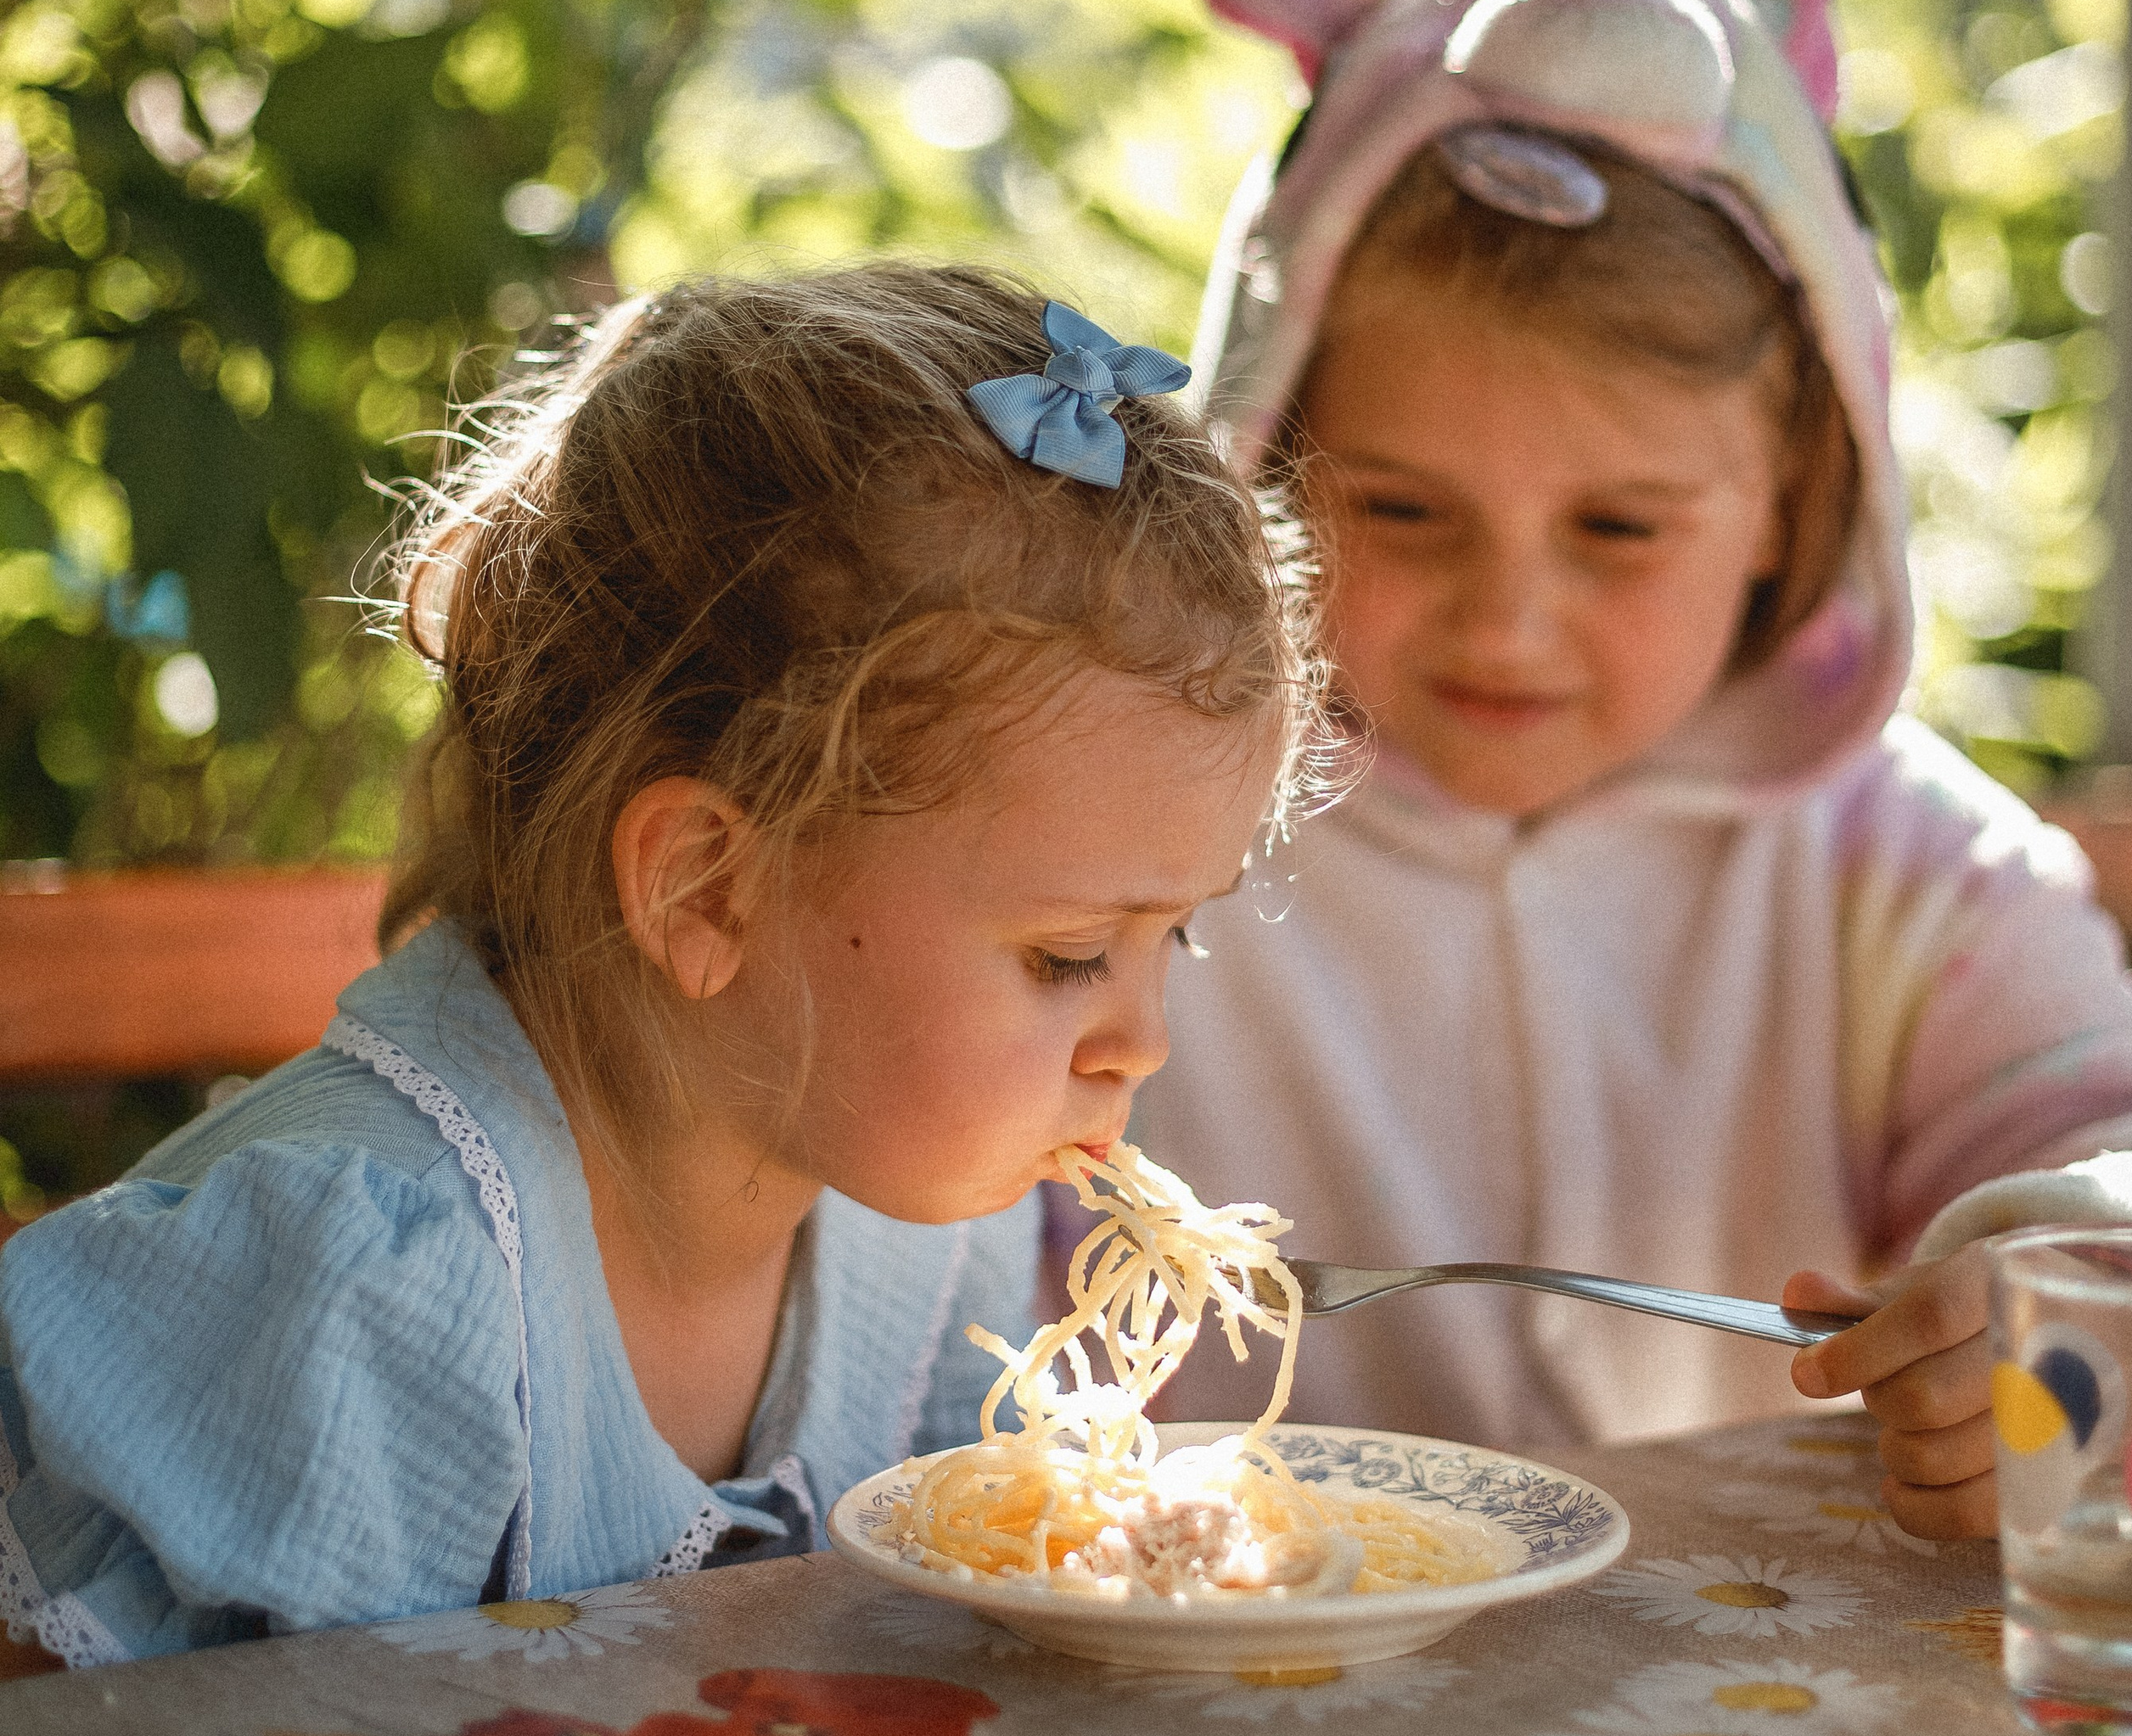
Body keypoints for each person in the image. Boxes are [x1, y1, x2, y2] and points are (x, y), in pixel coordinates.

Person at [1136, 0, 2132, 1539]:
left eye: (1617, 527)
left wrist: (2046, 1319)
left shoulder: (1899, 878)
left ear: (1789, 497)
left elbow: (2125, 1164)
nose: (1506, 615)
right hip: (1227, 1717)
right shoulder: (1144, 855)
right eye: (1401, 510)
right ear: (1261, 460)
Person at [0, 266, 1322, 1663]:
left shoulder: (925, 1227)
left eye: (1165, 934)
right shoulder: (382, 1283)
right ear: (708, 890)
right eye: (1065, 957)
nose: (1142, 1041)